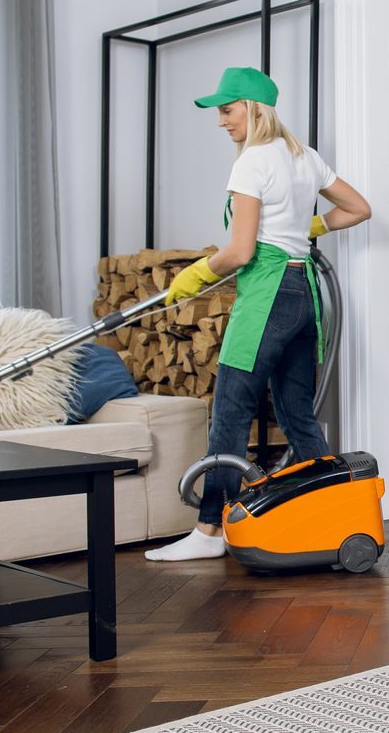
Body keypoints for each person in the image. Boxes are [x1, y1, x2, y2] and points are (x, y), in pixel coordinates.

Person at [145, 66, 371, 562]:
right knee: (299, 417)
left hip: (267, 295)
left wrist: (197, 274)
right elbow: (358, 208)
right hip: (305, 295)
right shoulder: (304, 157)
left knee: (230, 413)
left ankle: (207, 532)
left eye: (227, 110)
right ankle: (331, 519)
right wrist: (310, 224)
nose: (221, 121)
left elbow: (241, 251)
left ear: (253, 108)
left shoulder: (251, 162)